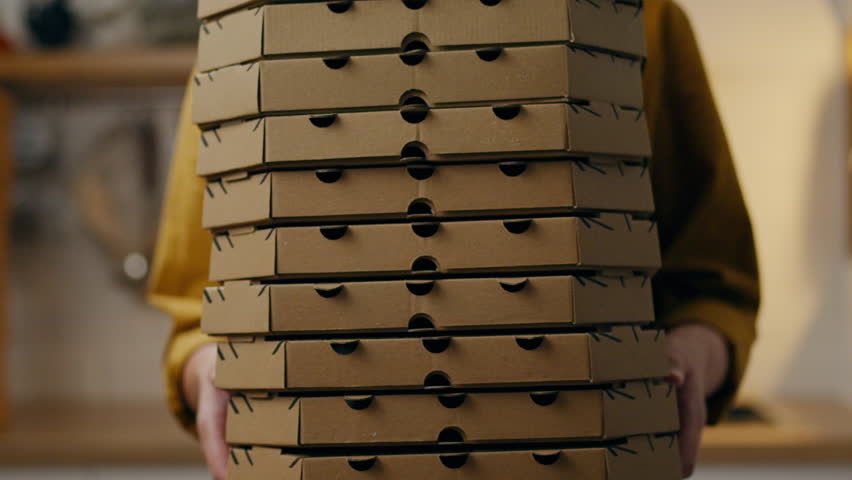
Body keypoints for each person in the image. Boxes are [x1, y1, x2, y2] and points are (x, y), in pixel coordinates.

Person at [148, 1, 760, 478]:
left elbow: (713, 281)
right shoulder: (248, 37)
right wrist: (215, 372)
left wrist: (684, 359)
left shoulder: (639, 20)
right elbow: (195, 312)